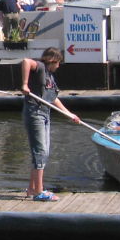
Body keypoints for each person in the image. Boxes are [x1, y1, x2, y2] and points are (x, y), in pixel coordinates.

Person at [20, 48, 79, 201]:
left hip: (45, 114)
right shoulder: (40, 67)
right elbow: (26, 62)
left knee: (43, 152)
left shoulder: (50, 77)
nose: (59, 66)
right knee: (40, 152)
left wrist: (69, 114)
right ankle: (39, 192)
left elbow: (53, 99)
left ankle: (32, 189)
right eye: (58, 62)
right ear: (52, 60)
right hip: (35, 113)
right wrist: (25, 84)